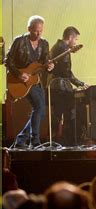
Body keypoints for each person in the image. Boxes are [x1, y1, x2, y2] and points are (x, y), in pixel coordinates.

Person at [5, 15, 54, 149]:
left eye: (40, 31)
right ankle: (35, 141)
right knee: (39, 107)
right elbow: (8, 60)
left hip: (36, 80)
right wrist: (19, 74)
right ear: (29, 29)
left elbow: (45, 62)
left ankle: (20, 141)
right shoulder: (19, 41)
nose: (38, 34)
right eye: (35, 31)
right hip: (20, 80)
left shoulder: (44, 43)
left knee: (41, 110)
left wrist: (50, 67)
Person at [49, 26, 87, 146]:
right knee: (69, 114)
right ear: (70, 38)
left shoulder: (56, 46)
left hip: (54, 86)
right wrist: (81, 84)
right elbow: (67, 73)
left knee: (57, 115)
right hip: (62, 87)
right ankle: (68, 143)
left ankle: (56, 142)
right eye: (75, 40)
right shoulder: (64, 49)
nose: (75, 42)